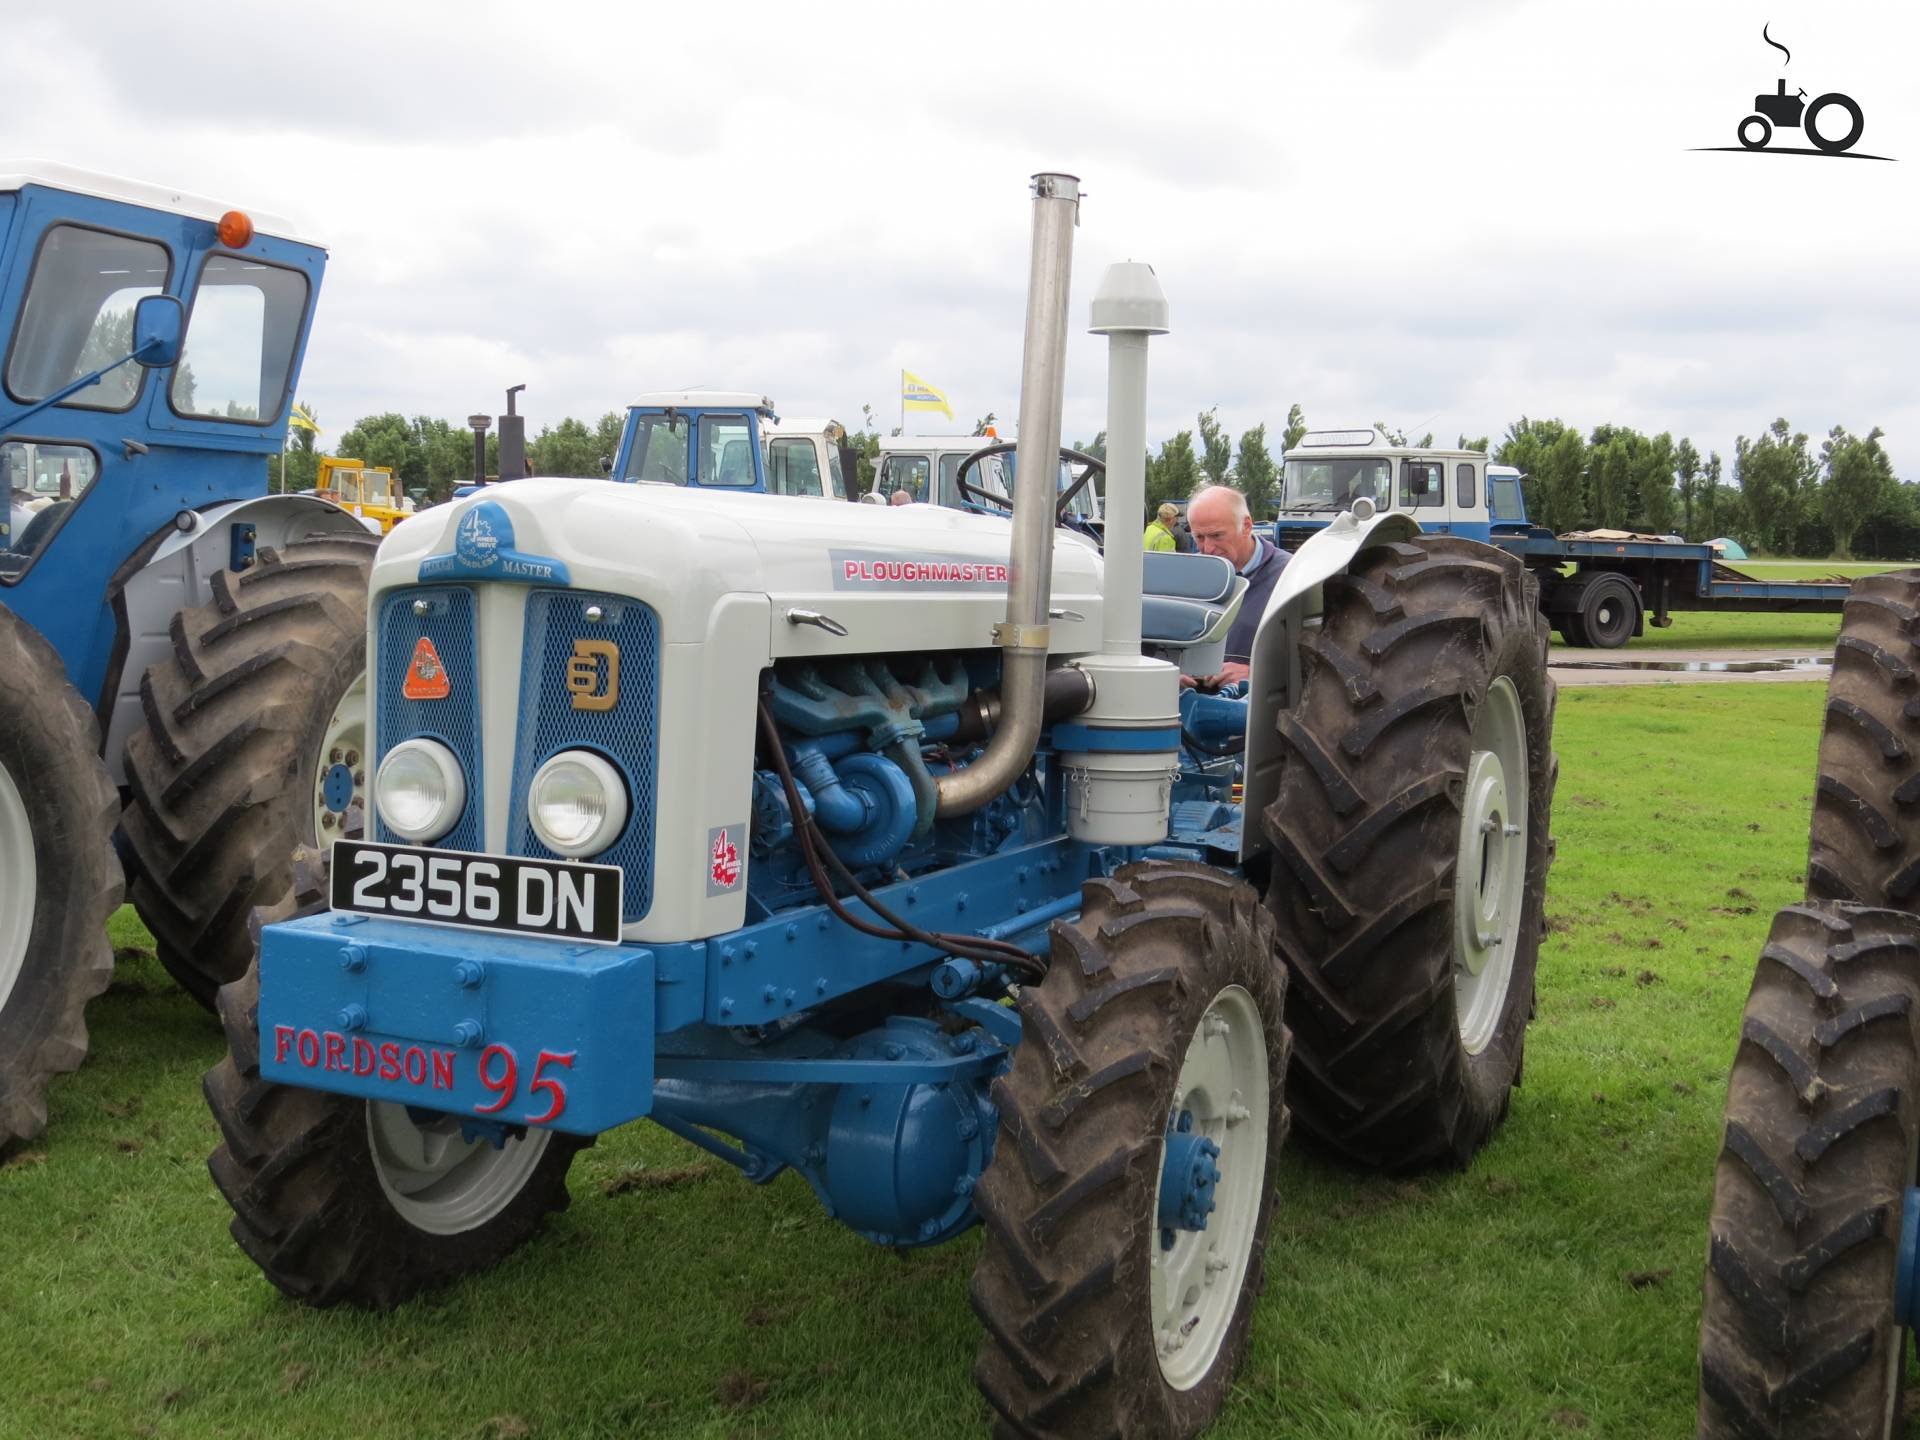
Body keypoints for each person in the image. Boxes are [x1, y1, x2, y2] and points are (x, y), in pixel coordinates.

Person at [1184, 484, 1289, 691]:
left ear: (1247, 526)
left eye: (1217, 536)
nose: (1208, 549)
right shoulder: (1187, 576)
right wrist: (1173, 672)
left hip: (1257, 712)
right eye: (1199, 537)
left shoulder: (1290, 577)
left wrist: (1256, 673)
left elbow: (1313, 660)